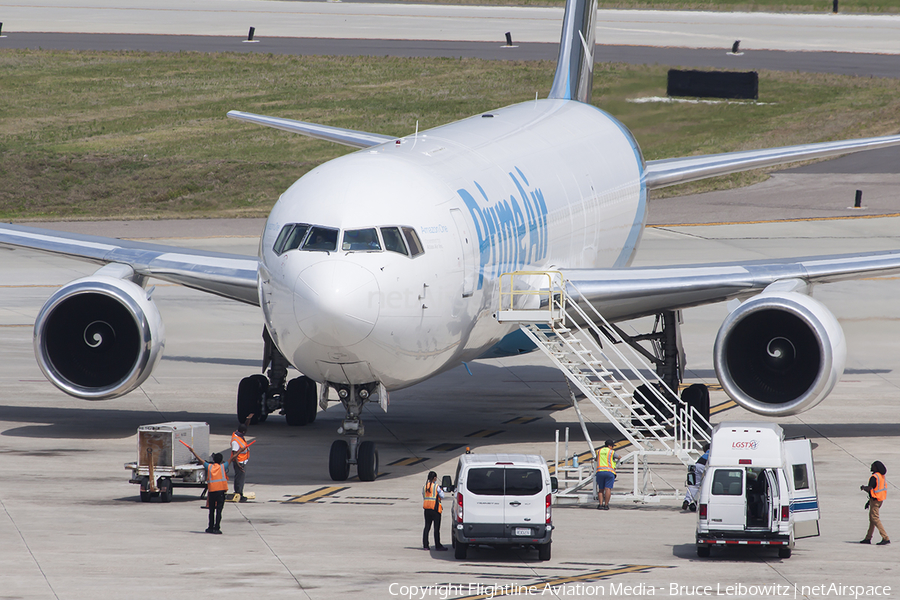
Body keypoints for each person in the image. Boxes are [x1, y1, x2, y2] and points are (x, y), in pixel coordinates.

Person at [186, 445, 228, 534]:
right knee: (219, 511)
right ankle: (217, 528)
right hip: (221, 492)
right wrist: (240, 451)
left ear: (213, 460)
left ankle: (210, 527)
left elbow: (200, 460)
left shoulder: (209, 467)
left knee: (211, 510)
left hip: (212, 492)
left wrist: (192, 451)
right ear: (221, 461)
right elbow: (232, 458)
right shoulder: (223, 466)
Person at [860, 461, 890, 545]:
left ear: (876, 467)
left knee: (875, 519)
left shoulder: (874, 477)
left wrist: (863, 487)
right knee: (872, 519)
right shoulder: (881, 476)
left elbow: (870, 488)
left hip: (875, 501)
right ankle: (868, 538)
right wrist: (868, 502)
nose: (871, 467)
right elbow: (875, 490)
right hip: (879, 500)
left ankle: (885, 537)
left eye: (872, 466)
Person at [422, 471, 447, 551]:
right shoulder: (436, 486)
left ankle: (425, 545)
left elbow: (424, 495)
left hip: (427, 509)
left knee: (427, 527)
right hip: (435, 510)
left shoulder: (425, 486)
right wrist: (441, 490)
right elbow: (442, 496)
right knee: (436, 528)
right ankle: (438, 545)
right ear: (435, 478)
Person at [231, 414, 253, 502]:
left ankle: (239, 492)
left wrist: (248, 420)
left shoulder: (238, 433)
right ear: (243, 432)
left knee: (241, 479)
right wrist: (238, 465)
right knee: (239, 479)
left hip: (242, 461)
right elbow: (234, 454)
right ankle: (239, 494)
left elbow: (244, 426)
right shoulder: (235, 441)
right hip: (239, 462)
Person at [683, 443, 710, 511]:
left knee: (694, 485)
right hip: (706, 465)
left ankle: (687, 500)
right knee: (708, 484)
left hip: (698, 464)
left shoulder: (707, 451)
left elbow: (705, 447)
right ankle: (700, 501)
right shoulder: (715, 451)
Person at [596, 440, 620, 510]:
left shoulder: (599, 451)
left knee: (601, 490)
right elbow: (619, 457)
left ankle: (600, 505)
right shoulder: (611, 452)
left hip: (600, 472)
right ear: (609, 446)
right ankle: (606, 505)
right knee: (608, 489)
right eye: (612, 446)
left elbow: (596, 459)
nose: (612, 448)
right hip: (609, 472)